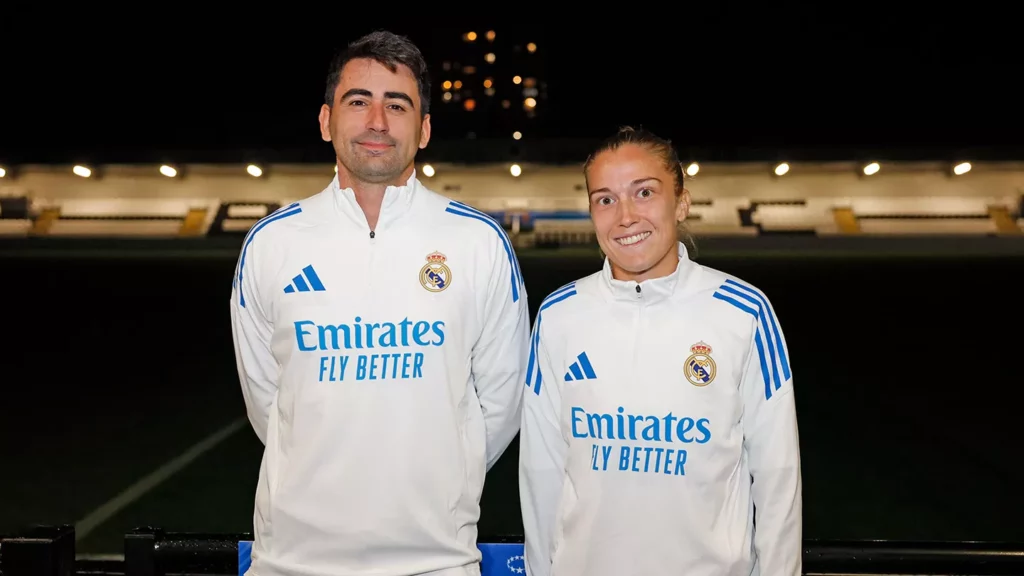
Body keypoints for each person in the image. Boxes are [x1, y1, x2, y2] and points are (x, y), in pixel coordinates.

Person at [230, 30, 531, 576]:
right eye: (357, 102)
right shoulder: (271, 243)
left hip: (436, 562)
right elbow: (267, 402)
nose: (376, 121)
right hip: (292, 563)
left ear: (424, 129)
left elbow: (501, 403)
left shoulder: (478, 242)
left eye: (397, 105)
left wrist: (442, 472)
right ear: (325, 121)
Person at [518, 127, 802, 576]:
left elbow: (778, 479)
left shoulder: (744, 313)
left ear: (682, 202)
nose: (625, 216)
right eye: (605, 199)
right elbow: (541, 472)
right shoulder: (559, 315)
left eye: (644, 192)